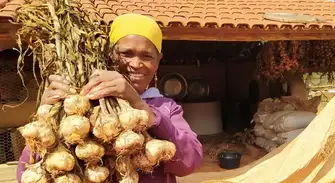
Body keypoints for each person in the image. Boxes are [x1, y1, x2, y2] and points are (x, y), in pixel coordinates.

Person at [16, 13, 203, 183]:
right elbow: (27, 176)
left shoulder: (165, 106)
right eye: (126, 54)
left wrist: (141, 107)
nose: (136, 64)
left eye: (147, 56)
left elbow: (190, 163)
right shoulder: (83, 107)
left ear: (158, 61)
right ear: (110, 55)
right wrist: (46, 117)